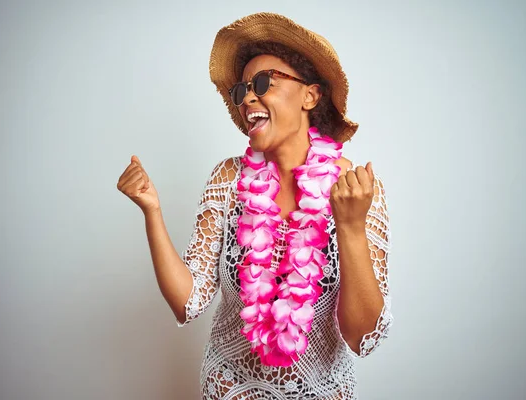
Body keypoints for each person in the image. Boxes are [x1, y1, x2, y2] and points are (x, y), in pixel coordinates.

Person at [117, 12, 393, 400]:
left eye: (263, 82)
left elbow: (362, 337)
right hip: (229, 388)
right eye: (241, 89)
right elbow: (187, 303)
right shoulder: (228, 180)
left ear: (310, 95)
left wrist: (348, 226)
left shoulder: (353, 190)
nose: (248, 96)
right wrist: (152, 210)